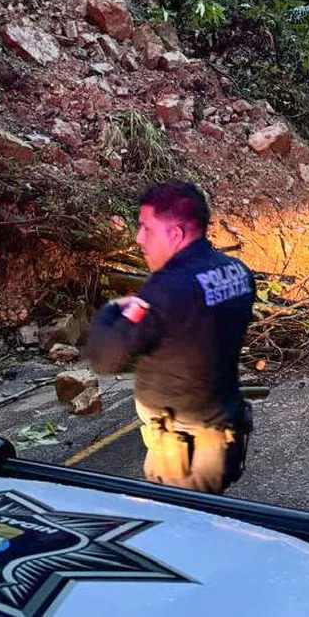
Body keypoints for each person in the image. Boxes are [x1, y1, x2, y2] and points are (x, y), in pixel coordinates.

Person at [87, 181, 255, 494]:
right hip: (223, 428)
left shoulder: (166, 289)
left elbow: (108, 357)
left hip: (183, 451)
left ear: (175, 234)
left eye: (146, 228)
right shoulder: (238, 272)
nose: (139, 239)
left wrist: (112, 311)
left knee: (181, 530)